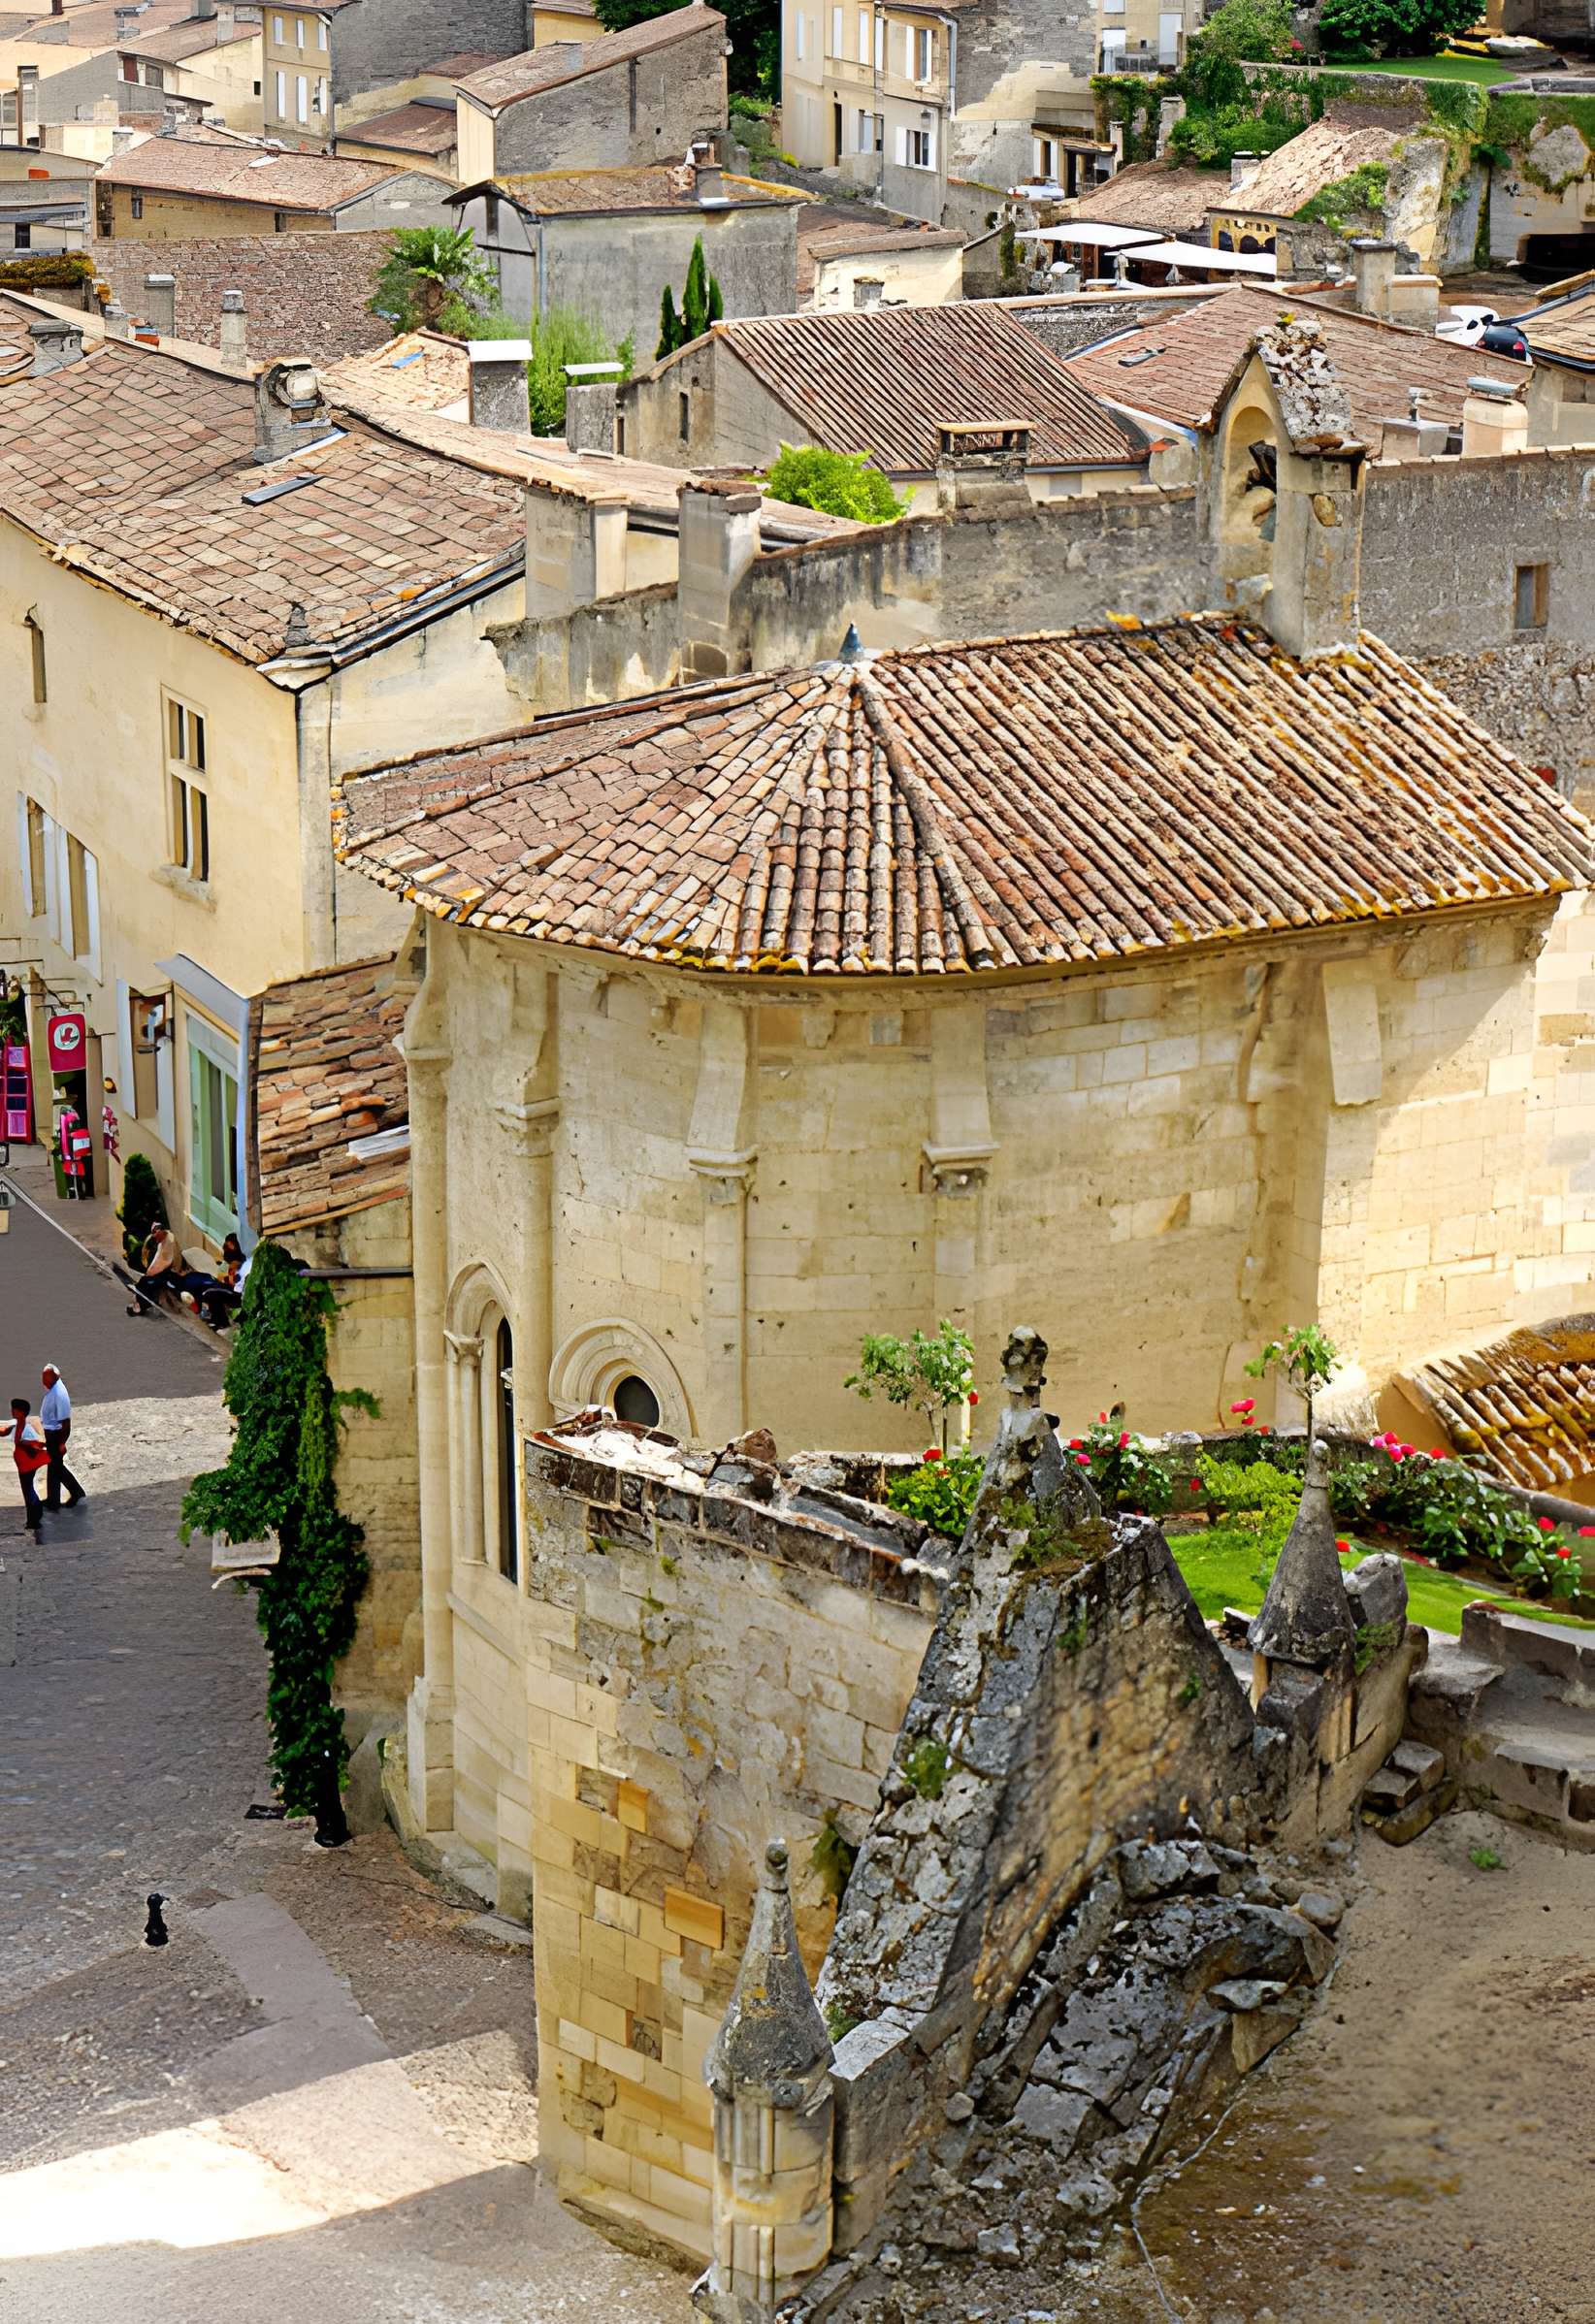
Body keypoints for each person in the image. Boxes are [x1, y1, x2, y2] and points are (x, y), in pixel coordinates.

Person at [39, 1363, 84, 1511]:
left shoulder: (59, 1393)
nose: (43, 1381)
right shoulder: (52, 1389)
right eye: (43, 1377)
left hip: (56, 1436)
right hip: (51, 1434)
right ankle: (53, 1500)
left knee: (57, 1467)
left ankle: (77, 1492)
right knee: (53, 1467)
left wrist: (62, 1443)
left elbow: (65, 1422)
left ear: (55, 1377)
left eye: (46, 1378)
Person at [1, 1399, 49, 1533]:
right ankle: (33, 1519)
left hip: (27, 1465)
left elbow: (35, 1443)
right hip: (23, 1464)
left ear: (21, 1412)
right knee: (28, 1491)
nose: (11, 1411)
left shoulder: (26, 1428)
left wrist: (32, 1444)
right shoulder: (18, 1425)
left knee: (28, 1491)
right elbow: (5, 1431)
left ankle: (34, 1519)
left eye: (14, 1409)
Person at [126, 1222, 186, 1316]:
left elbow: (164, 1262)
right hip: (164, 1271)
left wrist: (151, 1272)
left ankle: (142, 1304)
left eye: (157, 1236)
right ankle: (141, 1301)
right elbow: (158, 1260)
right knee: (145, 1282)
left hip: (169, 1273)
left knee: (146, 1283)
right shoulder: (164, 1241)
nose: (156, 1239)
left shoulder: (169, 1242)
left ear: (161, 1232)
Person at [194, 1234, 246, 1331]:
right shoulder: (236, 1260)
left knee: (210, 1292)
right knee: (211, 1289)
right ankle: (220, 1321)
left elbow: (234, 1281)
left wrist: (228, 1279)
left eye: (230, 1245)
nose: (229, 1248)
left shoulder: (240, 1261)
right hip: (234, 1290)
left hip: (238, 1295)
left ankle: (218, 1320)